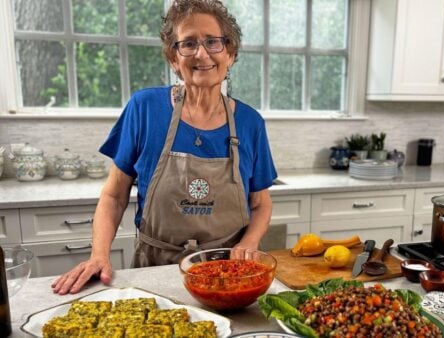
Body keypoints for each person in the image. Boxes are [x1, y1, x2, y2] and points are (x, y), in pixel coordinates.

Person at [52, 0, 277, 295]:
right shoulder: (144, 108)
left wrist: (248, 244)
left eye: (213, 42)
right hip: (155, 268)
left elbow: (260, 203)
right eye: (188, 44)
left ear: (230, 53)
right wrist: (99, 255)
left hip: (227, 273)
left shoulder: (250, 123)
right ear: (174, 58)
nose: (201, 53)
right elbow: (114, 194)